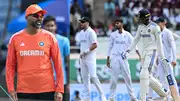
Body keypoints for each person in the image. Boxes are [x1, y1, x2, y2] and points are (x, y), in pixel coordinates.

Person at [6, 4, 64, 101]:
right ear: (27, 17)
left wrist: (59, 90)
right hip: (24, 91)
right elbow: (10, 66)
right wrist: (11, 89)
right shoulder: (15, 38)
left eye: (41, 16)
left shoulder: (50, 37)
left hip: (47, 90)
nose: (39, 18)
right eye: (36, 16)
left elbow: (58, 65)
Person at [122, 9, 168, 101]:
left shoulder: (155, 27)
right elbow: (135, 40)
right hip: (144, 54)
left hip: (152, 52)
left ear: (146, 18)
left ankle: (142, 99)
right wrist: (128, 51)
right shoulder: (140, 27)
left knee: (144, 74)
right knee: (147, 76)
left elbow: (159, 44)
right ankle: (164, 92)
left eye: (141, 18)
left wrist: (162, 57)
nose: (139, 20)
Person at [106, 18, 140, 101]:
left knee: (128, 78)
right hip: (115, 58)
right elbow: (109, 47)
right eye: (115, 23)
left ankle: (132, 97)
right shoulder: (113, 35)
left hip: (124, 59)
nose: (116, 25)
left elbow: (134, 44)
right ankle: (111, 97)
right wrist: (108, 58)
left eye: (117, 23)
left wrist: (139, 54)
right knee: (114, 79)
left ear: (122, 24)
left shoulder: (127, 35)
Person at [148, 17, 179, 100]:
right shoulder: (158, 34)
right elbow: (158, 47)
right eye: (157, 23)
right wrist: (158, 58)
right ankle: (167, 96)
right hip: (161, 60)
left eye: (159, 23)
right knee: (161, 78)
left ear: (163, 23)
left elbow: (173, 46)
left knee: (171, 78)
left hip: (168, 60)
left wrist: (174, 59)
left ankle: (176, 96)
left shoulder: (168, 33)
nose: (157, 25)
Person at [78, 16, 107, 101]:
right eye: (81, 22)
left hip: (90, 58)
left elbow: (95, 45)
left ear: (87, 23)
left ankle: (102, 96)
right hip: (83, 58)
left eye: (83, 22)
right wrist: (81, 55)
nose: (81, 23)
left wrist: (86, 52)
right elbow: (82, 45)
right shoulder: (81, 33)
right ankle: (87, 97)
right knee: (84, 78)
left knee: (93, 77)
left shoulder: (91, 32)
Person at [43, 15, 70, 101]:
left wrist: (69, 83)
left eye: (52, 25)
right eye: (47, 26)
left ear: (55, 26)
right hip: (44, 82)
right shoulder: (39, 41)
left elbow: (68, 63)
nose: (50, 28)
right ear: (43, 27)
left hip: (61, 82)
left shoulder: (64, 40)